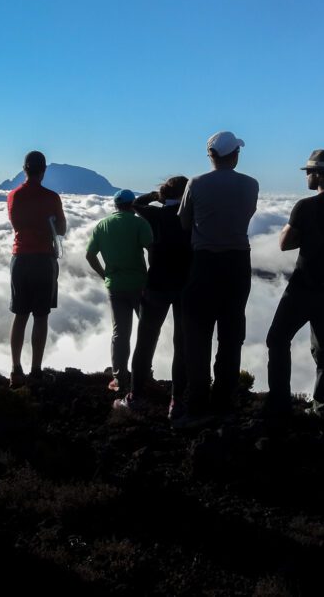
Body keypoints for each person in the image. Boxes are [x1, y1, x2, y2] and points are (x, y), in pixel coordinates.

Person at [265, 150, 324, 417]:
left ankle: (279, 404)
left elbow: (285, 243)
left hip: (303, 284)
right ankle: (323, 408)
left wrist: (297, 234)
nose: (306, 176)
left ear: (317, 174)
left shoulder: (306, 207)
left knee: (278, 340)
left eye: (308, 172)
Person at [177, 131, 259, 426]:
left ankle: (196, 407)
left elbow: (185, 221)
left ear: (211, 156)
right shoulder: (251, 185)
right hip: (238, 263)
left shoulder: (196, 184)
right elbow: (248, 214)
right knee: (231, 335)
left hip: (204, 264)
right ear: (235, 155)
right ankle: (224, 405)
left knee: (198, 336)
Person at [116, 177, 192, 413]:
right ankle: (177, 402)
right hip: (186, 285)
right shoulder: (192, 217)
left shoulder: (157, 216)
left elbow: (136, 204)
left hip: (157, 285)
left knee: (146, 341)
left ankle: (135, 397)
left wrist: (153, 196)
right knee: (182, 344)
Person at [7, 151, 67, 387]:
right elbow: (60, 229)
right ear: (43, 170)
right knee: (41, 316)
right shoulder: (51, 198)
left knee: (20, 315)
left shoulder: (14, 195)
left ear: (24, 169)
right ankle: (36, 371)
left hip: (20, 258)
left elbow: (16, 224)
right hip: (44, 259)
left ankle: (15, 369)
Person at [86, 189, 154, 397]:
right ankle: (145, 376)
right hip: (140, 285)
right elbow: (152, 249)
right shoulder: (139, 223)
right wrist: (151, 275)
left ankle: (119, 377)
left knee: (120, 333)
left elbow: (90, 255)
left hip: (115, 286)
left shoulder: (102, 225)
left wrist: (104, 275)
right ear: (132, 205)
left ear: (115, 205)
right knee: (146, 333)